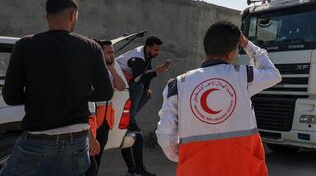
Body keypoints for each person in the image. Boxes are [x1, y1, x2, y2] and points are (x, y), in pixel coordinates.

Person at [1, 0, 113, 176]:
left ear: (46, 16)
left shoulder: (25, 45)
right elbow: (105, 93)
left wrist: (37, 96)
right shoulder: (90, 47)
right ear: (72, 15)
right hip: (76, 143)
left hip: (37, 140)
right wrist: (79, 95)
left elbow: (10, 96)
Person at [156, 20, 281, 176]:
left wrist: (188, 158)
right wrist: (247, 45)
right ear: (231, 53)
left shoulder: (178, 84)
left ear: (206, 49)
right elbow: (274, 75)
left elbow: (164, 134)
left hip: (195, 170)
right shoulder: (243, 76)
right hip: (244, 169)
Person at [116, 36, 171, 176]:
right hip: (116, 88)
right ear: (148, 47)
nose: (157, 52)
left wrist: (148, 87)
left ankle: (130, 118)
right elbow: (137, 78)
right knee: (138, 87)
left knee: (145, 92)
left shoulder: (147, 57)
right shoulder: (137, 58)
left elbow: (146, 73)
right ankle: (130, 118)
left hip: (125, 89)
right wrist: (157, 72)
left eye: (158, 50)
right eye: (155, 49)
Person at [86, 39, 128, 176]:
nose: (112, 55)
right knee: (88, 160)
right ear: (99, 53)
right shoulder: (88, 71)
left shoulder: (108, 71)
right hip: (91, 122)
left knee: (97, 158)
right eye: (108, 52)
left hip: (104, 122)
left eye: (113, 52)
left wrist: (112, 69)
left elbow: (121, 86)